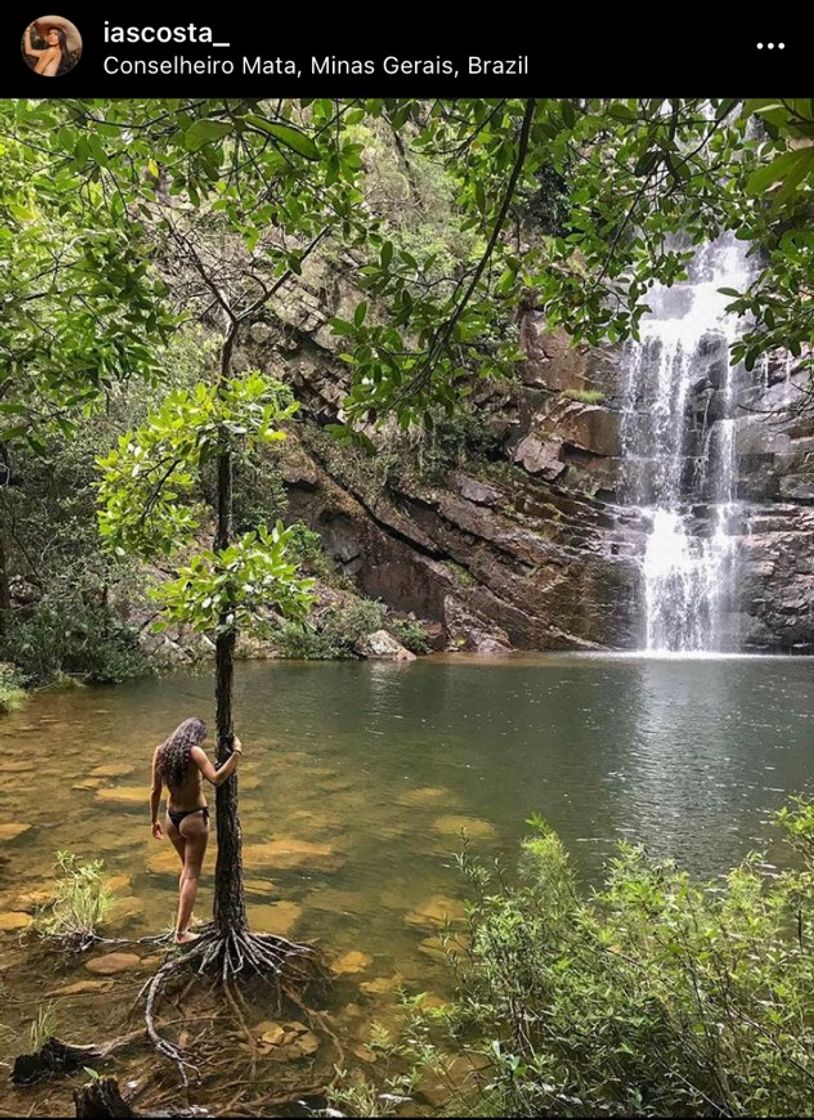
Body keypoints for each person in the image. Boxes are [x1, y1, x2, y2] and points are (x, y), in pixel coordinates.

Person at [149, 717, 242, 944]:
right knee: (191, 874)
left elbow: (155, 790)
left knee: (186, 870)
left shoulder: (161, 751)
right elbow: (217, 779)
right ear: (196, 736)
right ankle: (181, 933)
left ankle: (185, 921)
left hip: (172, 819)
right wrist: (236, 753)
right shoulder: (194, 753)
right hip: (193, 818)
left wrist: (153, 821)